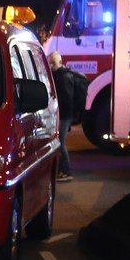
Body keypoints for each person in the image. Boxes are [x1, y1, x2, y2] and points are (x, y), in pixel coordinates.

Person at [48, 51, 83, 182]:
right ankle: (62, 170)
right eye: (50, 62)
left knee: (60, 143)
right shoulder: (60, 75)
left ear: (60, 62)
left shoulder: (63, 77)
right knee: (60, 142)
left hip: (64, 115)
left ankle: (66, 171)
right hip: (63, 115)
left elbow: (66, 99)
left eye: (53, 63)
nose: (51, 65)